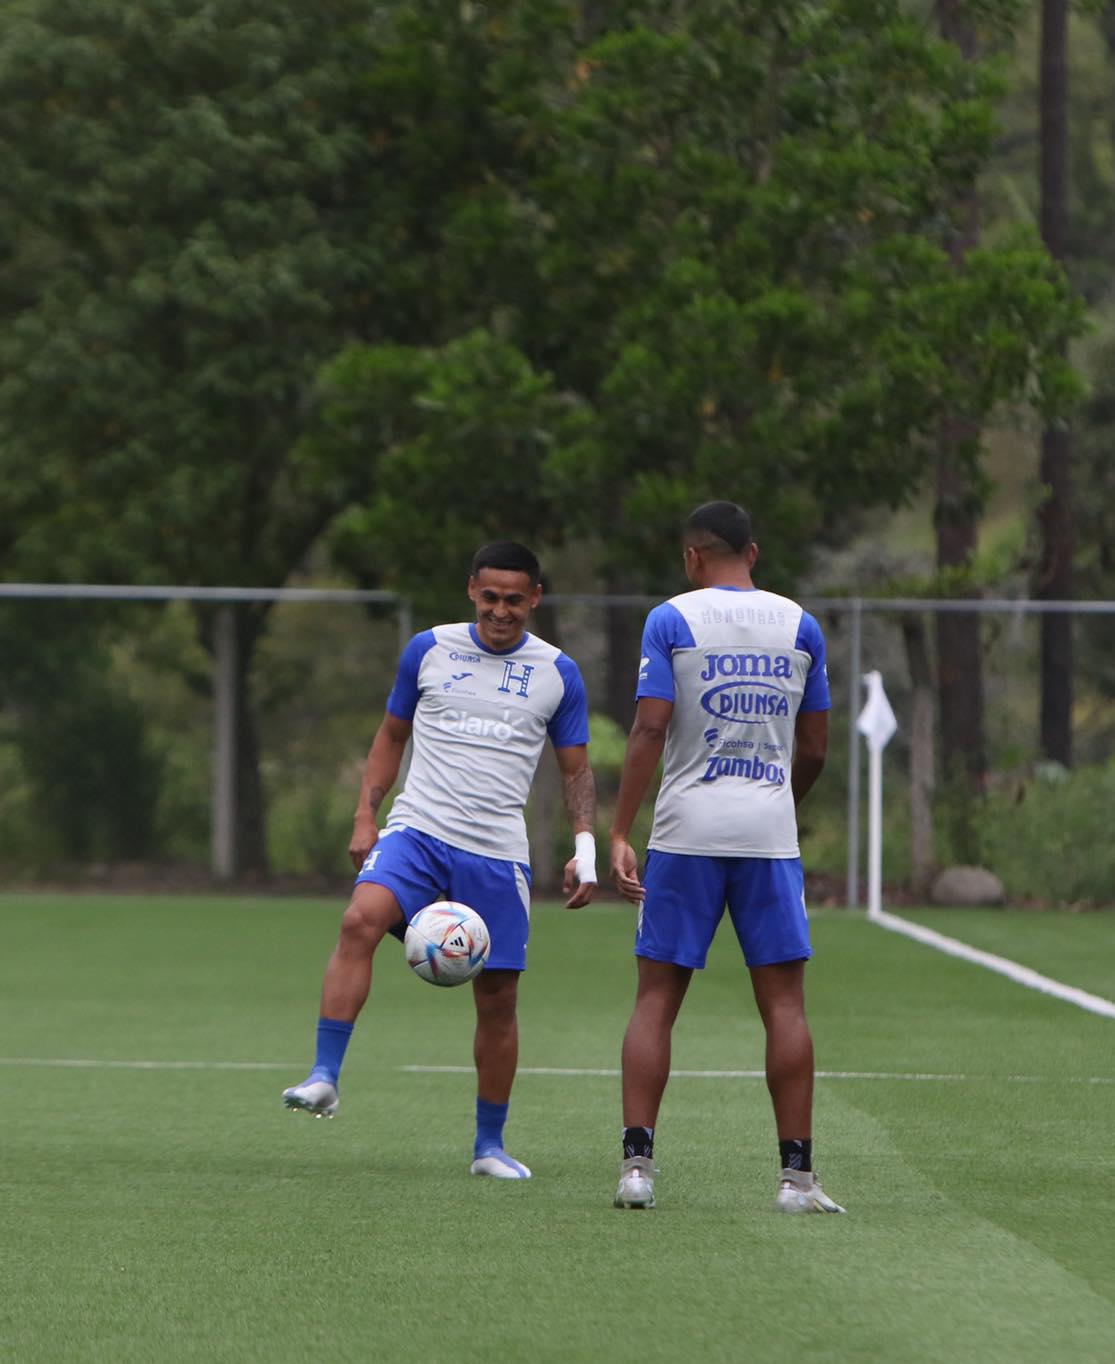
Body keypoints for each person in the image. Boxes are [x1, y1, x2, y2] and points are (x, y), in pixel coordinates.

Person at [282, 541, 597, 1180]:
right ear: (471, 590)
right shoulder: (428, 649)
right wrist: (365, 815)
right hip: (417, 832)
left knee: (499, 999)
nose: (500, 611)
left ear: (534, 598)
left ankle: (489, 1146)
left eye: (514, 599)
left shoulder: (558, 673)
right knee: (358, 921)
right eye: (489, 597)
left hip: (495, 855)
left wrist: (583, 846)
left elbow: (576, 769)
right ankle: (324, 1077)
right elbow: (391, 735)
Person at [608, 501, 844, 1214]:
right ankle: (796, 1181)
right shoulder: (800, 625)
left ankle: (637, 1170)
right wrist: (779, 803)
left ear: (691, 556)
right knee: (783, 1004)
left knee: (656, 999)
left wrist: (619, 829)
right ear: (753, 551)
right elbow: (813, 749)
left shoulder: (672, 619)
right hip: (767, 836)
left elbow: (650, 727)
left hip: (685, 833)